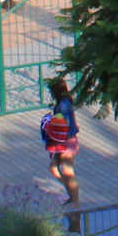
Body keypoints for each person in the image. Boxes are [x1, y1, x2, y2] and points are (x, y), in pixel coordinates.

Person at [40, 76, 81, 204]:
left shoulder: (63, 105)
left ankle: (75, 200)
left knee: (68, 171)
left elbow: (64, 126)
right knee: (54, 168)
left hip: (67, 142)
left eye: (51, 91)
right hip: (63, 141)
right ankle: (71, 194)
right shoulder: (63, 102)